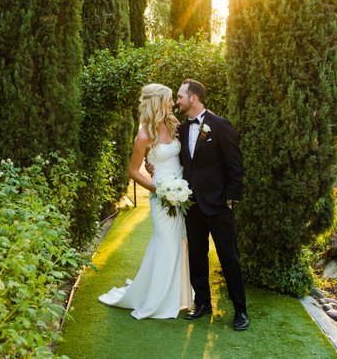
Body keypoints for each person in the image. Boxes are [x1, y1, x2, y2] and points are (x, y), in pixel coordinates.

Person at [147, 79, 249, 331]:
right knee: (197, 256)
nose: (177, 101)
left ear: (193, 98)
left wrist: (230, 198)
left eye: (180, 96)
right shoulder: (180, 129)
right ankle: (202, 304)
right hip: (190, 204)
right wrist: (152, 166)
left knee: (228, 257)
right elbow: (174, 159)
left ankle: (240, 311)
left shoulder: (220, 125)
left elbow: (235, 166)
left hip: (218, 205)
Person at [98, 83, 193, 319]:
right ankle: (159, 299)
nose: (172, 103)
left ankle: (180, 295)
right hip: (161, 195)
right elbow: (133, 170)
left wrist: (179, 190)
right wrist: (159, 189)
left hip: (182, 192)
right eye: (169, 99)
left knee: (180, 241)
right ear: (158, 102)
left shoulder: (174, 125)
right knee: (166, 241)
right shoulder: (143, 135)